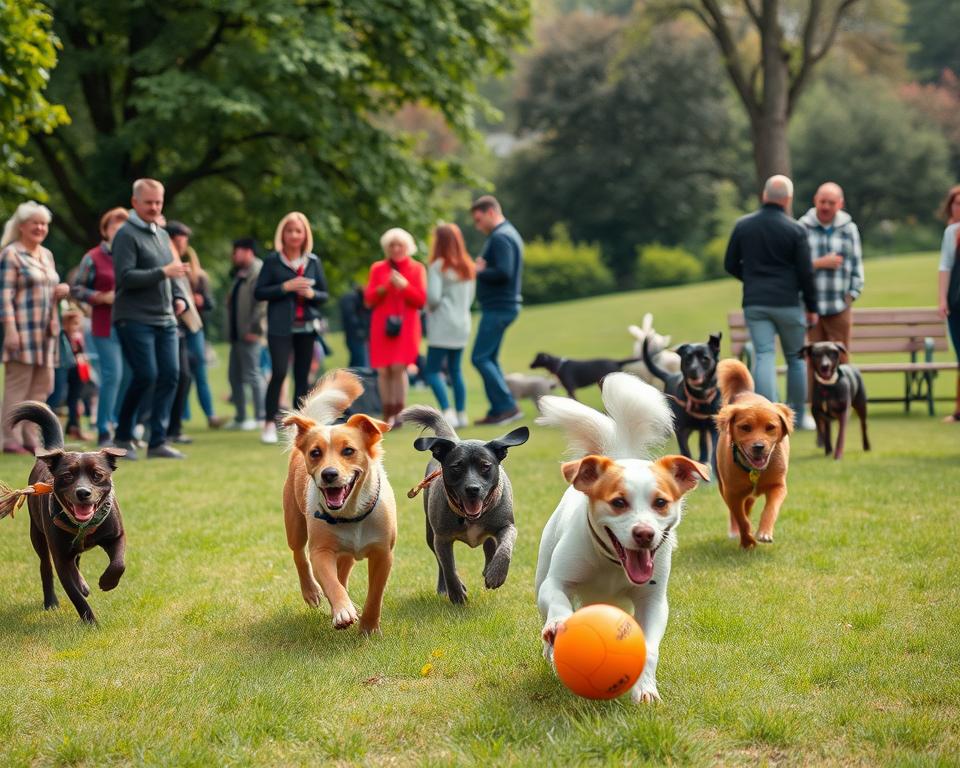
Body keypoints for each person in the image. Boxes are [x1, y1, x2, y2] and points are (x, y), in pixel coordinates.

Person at [724, 175, 818, 427]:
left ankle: (765, 413)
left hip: (756, 302)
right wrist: (812, 307)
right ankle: (798, 418)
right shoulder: (796, 229)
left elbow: (730, 263)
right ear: (787, 199)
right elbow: (805, 272)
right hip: (788, 302)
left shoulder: (743, 225)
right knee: (796, 359)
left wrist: (752, 279)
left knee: (764, 355)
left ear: (764, 196)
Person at [111, 178, 190, 460]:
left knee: (171, 375)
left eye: (158, 202)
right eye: (149, 202)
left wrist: (180, 297)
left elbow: (175, 272)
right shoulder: (125, 235)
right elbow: (126, 277)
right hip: (134, 317)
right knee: (146, 376)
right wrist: (163, 272)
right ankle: (122, 437)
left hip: (165, 317)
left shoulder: (162, 234)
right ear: (135, 203)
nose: (155, 207)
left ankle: (158, 441)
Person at [0, 201, 71, 453]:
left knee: (43, 386)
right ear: (22, 226)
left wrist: (60, 291)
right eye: (35, 223)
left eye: (44, 224)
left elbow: (47, 290)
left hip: (47, 333)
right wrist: (10, 329)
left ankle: (30, 435)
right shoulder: (11, 254)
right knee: (18, 385)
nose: (40, 228)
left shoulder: (47, 255)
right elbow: (4, 295)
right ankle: (8, 438)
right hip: (22, 330)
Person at [254, 211, 328, 444]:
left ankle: (300, 426)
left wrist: (311, 293)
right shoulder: (272, 261)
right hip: (280, 327)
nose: (294, 235)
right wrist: (285, 287)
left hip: (306, 327)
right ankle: (268, 424)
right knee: (278, 373)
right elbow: (259, 292)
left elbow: (324, 294)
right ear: (282, 234)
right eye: (290, 230)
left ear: (305, 234)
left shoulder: (313, 262)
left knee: (302, 377)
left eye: (298, 230)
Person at [71, 207, 130, 445]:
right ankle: (104, 429)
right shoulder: (93, 257)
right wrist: (99, 297)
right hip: (105, 324)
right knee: (112, 374)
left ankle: (121, 425)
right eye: (115, 228)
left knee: (130, 375)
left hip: (133, 324)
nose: (120, 233)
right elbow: (77, 288)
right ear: (105, 230)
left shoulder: (132, 255)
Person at [470, 195, 524, 426]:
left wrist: (479, 271)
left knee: (480, 357)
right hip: (501, 307)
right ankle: (498, 409)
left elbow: (504, 272)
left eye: (479, 219)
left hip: (499, 307)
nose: (477, 225)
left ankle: (507, 407)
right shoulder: (504, 233)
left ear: (491, 212)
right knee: (488, 357)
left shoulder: (501, 237)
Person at [364, 228, 427, 425]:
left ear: (408, 247)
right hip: (381, 326)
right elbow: (369, 300)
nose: (396, 248)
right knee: (383, 370)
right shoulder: (377, 268)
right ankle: (387, 412)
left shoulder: (417, 268)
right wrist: (385, 287)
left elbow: (421, 301)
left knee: (399, 368)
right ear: (386, 247)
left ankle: (400, 414)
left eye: (400, 244)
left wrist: (405, 286)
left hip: (407, 326)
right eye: (392, 245)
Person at [799, 182, 864, 356]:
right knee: (814, 361)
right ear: (815, 201)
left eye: (831, 203)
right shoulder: (802, 228)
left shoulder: (849, 229)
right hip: (811, 308)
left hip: (839, 306)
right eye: (822, 202)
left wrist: (852, 294)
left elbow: (857, 265)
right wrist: (819, 263)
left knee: (841, 360)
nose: (826, 207)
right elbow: (794, 267)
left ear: (840, 204)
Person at [424, 223, 475, 427]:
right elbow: (470, 298)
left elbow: (434, 298)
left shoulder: (438, 266)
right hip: (462, 322)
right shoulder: (468, 265)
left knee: (432, 370)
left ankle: (447, 411)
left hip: (442, 323)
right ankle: (462, 413)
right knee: (455, 370)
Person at [226, 237, 266, 430]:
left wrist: (255, 329)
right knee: (234, 376)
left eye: (236, 252)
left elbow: (261, 304)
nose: (233, 256)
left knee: (253, 374)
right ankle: (241, 417)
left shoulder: (258, 272)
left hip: (250, 334)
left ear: (248, 251)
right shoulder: (241, 273)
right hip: (237, 334)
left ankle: (260, 416)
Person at [937, 184, 960, 423]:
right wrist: (942, 299)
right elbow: (945, 266)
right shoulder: (952, 232)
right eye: (956, 203)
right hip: (957, 304)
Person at [339, 284, 371, 368]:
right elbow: (350, 317)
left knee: (357, 362)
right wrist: (362, 327)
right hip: (356, 336)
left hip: (358, 336)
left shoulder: (359, 300)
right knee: (359, 363)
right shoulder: (351, 298)